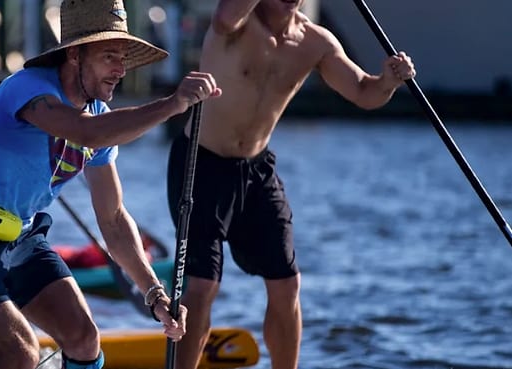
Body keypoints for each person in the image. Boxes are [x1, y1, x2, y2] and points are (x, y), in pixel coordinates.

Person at [0, 0, 221, 367]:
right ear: (75, 55)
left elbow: (113, 219)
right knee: (22, 355)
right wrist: (173, 104)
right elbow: (84, 132)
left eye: (123, 58)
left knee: (84, 339)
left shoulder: (100, 117)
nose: (120, 70)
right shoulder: (27, 88)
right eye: (109, 56)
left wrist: (155, 295)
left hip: (19, 236)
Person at [165, 1, 416, 368]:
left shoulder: (316, 43)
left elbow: (364, 92)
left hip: (256, 170)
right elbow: (223, 18)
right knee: (203, 286)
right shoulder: (237, 22)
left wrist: (389, 81)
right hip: (201, 162)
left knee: (287, 284)